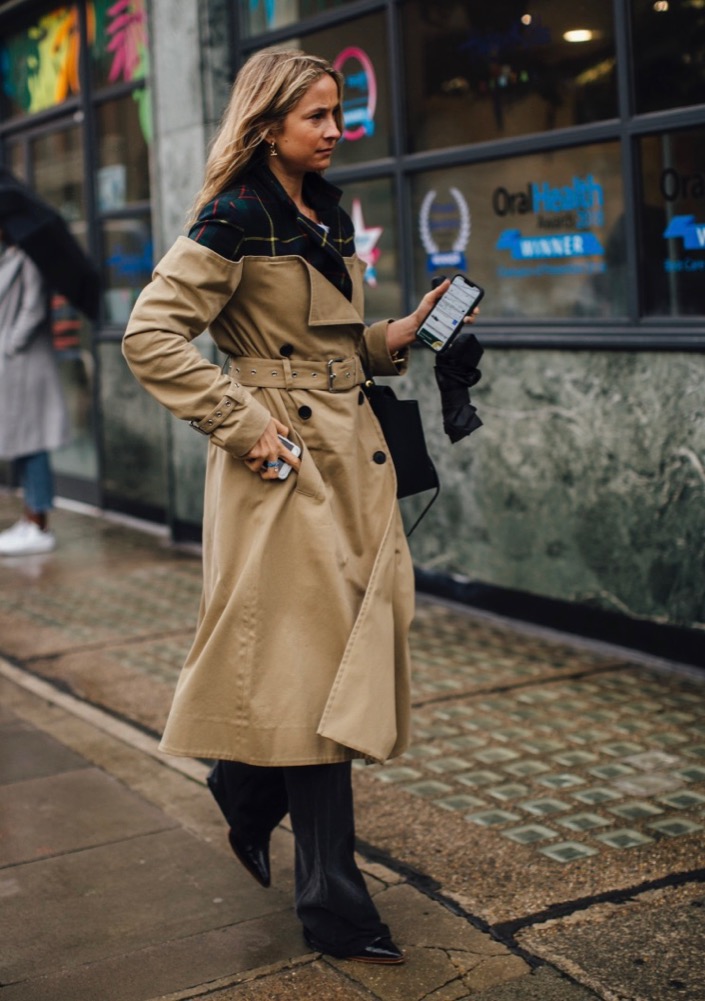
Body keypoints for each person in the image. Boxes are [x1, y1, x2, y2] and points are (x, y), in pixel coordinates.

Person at [123, 48, 475, 965]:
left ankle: (244, 784)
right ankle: (334, 903)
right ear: (267, 120)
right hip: (281, 468)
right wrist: (243, 426)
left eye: (337, 111)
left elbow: (330, 343)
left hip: (346, 454)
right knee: (326, 676)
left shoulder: (326, 209)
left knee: (336, 661)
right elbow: (150, 335)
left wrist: (399, 334)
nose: (334, 128)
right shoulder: (234, 214)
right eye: (317, 115)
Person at [0, 233, 70, 556]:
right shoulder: (13, 254)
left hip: (26, 361)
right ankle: (31, 518)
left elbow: (33, 307)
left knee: (33, 441)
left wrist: (11, 343)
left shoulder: (29, 256)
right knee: (22, 441)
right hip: (16, 365)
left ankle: (39, 523)